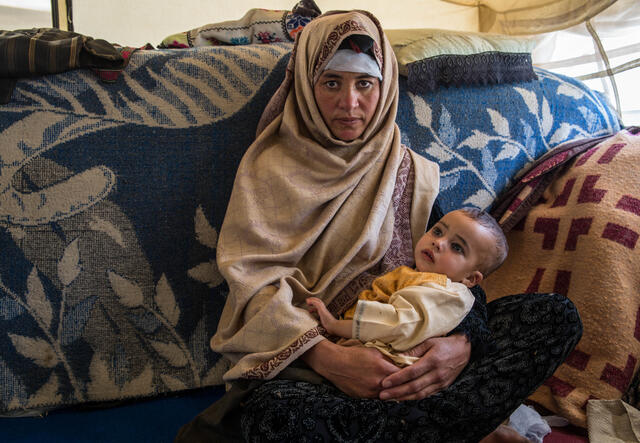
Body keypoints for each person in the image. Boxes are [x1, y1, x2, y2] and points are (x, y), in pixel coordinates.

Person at [176, 10, 582, 443]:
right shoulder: (266, 172)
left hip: (415, 345)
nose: (350, 104)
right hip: (317, 367)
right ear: (306, 87)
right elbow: (252, 287)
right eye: (332, 82)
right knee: (275, 416)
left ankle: (427, 422)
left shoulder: (408, 171)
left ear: (384, 87)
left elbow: (459, 278)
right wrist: (328, 358)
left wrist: (460, 345)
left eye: (365, 84)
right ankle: (453, 427)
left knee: (553, 318)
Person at [306, 208, 507, 368]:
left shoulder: (443, 292)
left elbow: (394, 324)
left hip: (385, 358)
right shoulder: (422, 277)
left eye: (456, 247)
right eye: (437, 231)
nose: (438, 242)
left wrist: (333, 325)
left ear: (470, 278)